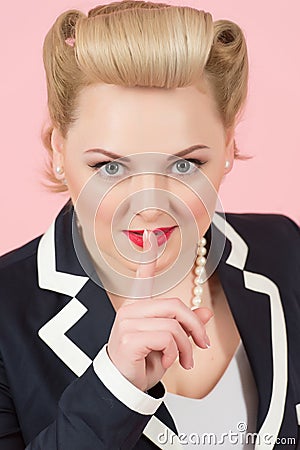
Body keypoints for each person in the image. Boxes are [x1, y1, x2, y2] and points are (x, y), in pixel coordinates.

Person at [0, 1, 299, 449]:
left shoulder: (284, 249)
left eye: (185, 164)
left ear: (230, 146)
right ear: (58, 150)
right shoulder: (6, 311)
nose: (151, 206)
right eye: (111, 168)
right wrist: (115, 387)